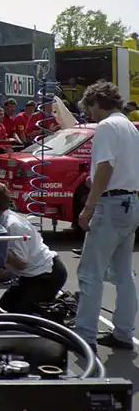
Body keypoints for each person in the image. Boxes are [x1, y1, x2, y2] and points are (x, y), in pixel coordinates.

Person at [73, 81, 139, 351]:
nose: (88, 112)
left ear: (97, 102)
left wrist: (88, 207)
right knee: (124, 273)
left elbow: (105, 167)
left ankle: (84, 336)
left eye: (89, 106)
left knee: (90, 273)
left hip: (111, 205)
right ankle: (123, 332)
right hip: (130, 201)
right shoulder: (130, 128)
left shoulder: (106, 127)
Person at [0, 182, 67, 313]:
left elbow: (21, 263)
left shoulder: (13, 225)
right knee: (3, 306)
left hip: (47, 275)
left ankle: (56, 305)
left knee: (18, 312)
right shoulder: (0, 221)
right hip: (29, 276)